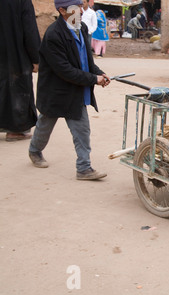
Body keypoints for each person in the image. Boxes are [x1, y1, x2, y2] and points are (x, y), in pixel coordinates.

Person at [28, 0, 111, 181]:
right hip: (56, 93)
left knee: (82, 130)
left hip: (75, 92)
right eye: (76, 8)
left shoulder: (80, 28)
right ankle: (35, 151)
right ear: (62, 11)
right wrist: (93, 79)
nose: (81, 11)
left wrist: (99, 73)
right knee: (45, 125)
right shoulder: (53, 35)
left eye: (81, 6)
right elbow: (64, 70)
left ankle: (83, 168)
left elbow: (87, 61)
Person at [0, 0, 41, 142]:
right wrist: (36, 58)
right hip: (15, 56)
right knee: (17, 90)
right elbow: (29, 30)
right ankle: (15, 130)